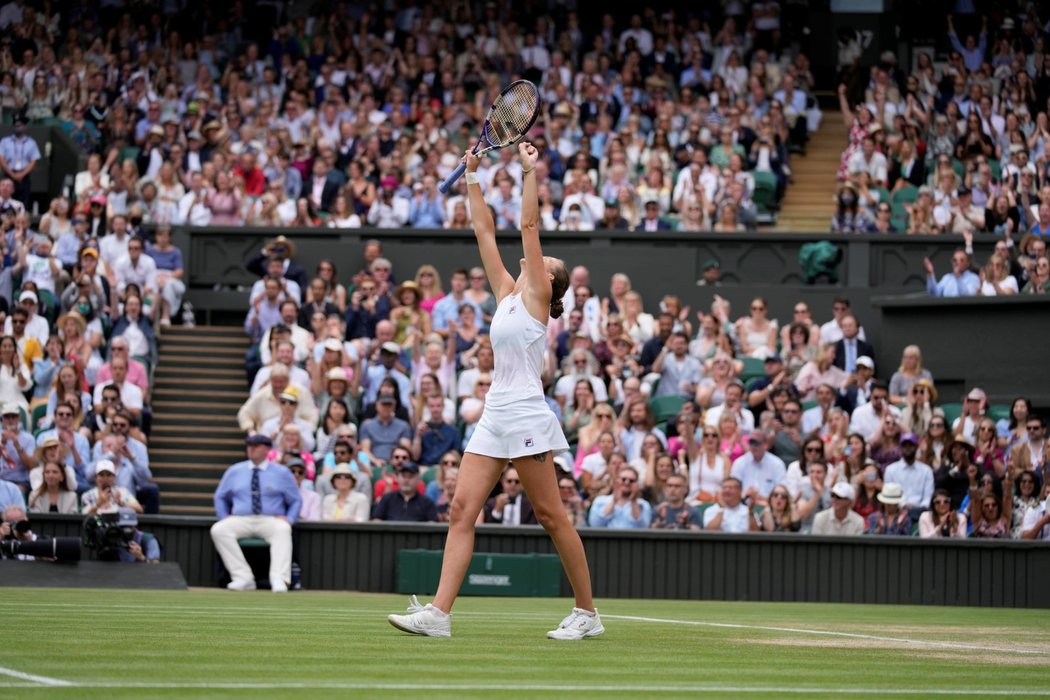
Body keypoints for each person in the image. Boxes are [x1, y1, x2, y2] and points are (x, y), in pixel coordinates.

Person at [388, 142, 601, 641]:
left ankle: (587, 613)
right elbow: (484, 230)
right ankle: (439, 615)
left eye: (543, 260)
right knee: (462, 510)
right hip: (493, 415)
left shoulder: (535, 295)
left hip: (527, 414)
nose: (534, 257)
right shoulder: (508, 292)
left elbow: (528, 228)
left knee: (550, 515)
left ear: (551, 282)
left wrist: (529, 172)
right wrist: (473, 178)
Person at [211, 435, 301, 592]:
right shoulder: (234, 470)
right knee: (219, 529)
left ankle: (279, 579)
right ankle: (242, 577)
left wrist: (290, 519)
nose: (251, 449)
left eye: (256, 446)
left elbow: (295, 500)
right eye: (249, 445)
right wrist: (224, 516)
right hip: (242, 518)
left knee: (283, 529)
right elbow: (220, 496)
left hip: (270, 519)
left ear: (267, 449)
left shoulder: (282, 472)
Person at [883, 433, 934, 510]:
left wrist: (920, 508)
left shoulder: (926, 470)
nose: (908, 448)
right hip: (897, 510)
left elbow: (928, 496)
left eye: (910, 445)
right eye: (905, 445)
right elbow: (889, 494)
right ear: (900, 447)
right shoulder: (890, 470)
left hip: (921, 511)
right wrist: (903, 505)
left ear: (916, 447)